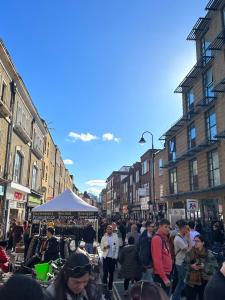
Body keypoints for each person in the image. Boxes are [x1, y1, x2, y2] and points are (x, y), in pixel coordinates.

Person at [184, 234, 218, 300]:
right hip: (191, 282)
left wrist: (204, 266)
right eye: (194, 241)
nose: (195, 243)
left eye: (197, 241)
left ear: (203, 243)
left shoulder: (209, 254)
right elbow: (184, 265)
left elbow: (215, 268)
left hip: (204, 281)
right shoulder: (190, 253)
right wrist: (191, 266)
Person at [151, 219, 172, 295]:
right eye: (165, 227)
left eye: (169, 227)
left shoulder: (164, 238)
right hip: (160, 275)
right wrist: (164, 278)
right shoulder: (157, 239)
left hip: (166, 273)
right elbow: (157, 260)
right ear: (160, 227)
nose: (168, 229)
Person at [172, 220, 190, 300]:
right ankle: (175, 297)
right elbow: (188, 249)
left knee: (181, 281)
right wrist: (189, 238)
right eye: (185, 228)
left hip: (181, 262)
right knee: (182, 282)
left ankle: (177, 297)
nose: (186, 229)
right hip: (180, 263)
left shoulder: (181, 237)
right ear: (181, 228)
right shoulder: (178, 239)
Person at [100, 224, 119, 292]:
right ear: (106, 230)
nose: (109, 230)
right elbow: (101, 247)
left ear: (112, 230)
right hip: (106, 257)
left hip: (112, 258)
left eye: (110, 229)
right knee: (105, 272)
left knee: (111, 273)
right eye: (108, 229)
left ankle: (110, 286)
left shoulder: (115, 236)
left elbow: (117, 247)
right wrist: (105, 247)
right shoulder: (103, 237)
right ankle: (105, 282)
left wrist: (115, 257)